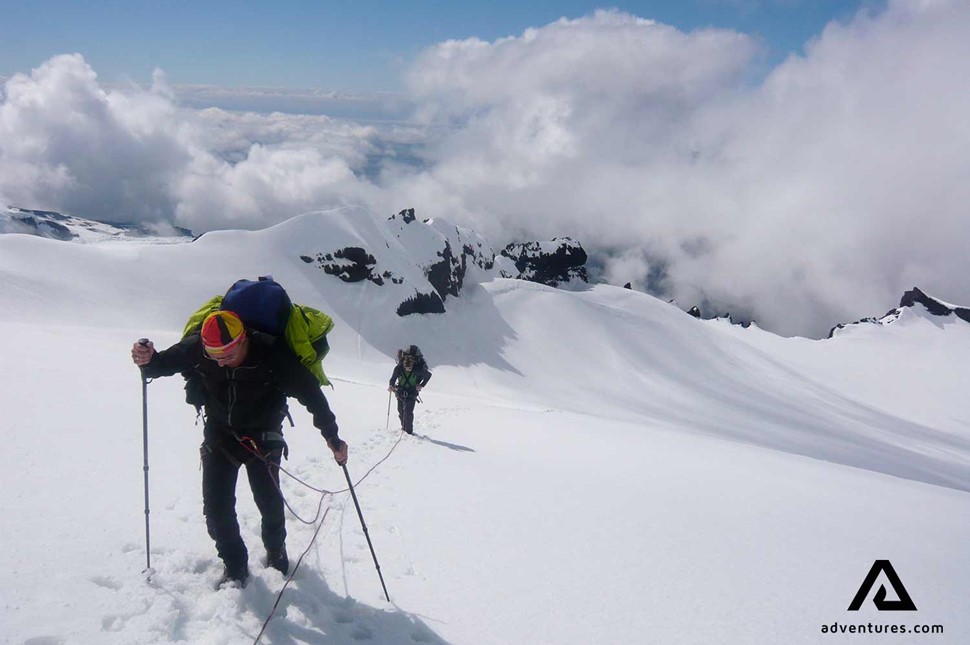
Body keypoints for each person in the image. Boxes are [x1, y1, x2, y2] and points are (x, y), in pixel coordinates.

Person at [131, 310, 348, 587]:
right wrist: (146, 358)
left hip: (264, 437)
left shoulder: (272, 354)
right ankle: (235, 564)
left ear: (243, 339)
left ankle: (275, 550)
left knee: (268, 502)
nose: (221, 363)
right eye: (214, 356)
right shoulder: (199, 347)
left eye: (227, 356)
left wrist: (333, 438)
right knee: (216, 508)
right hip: (220, 435)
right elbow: (160, 365)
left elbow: (312, 396)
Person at [387, 347, 432, 435]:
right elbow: (392, 379)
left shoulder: (416, 370)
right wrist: (391, 386)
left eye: (410, 367)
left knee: (408, 412)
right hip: (400, 392)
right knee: (400, 411)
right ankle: (404, 428)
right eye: (407, 367)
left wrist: (421, 385)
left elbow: (428, 375)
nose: (408, 368)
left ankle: (409, 432)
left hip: (411, 393)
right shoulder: (398, 369)